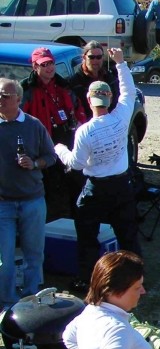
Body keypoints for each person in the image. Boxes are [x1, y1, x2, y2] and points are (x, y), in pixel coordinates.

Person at [54, 48, 142, 294]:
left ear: (90, 100)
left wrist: (59, 149)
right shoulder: (122, 116)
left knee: (88, 238)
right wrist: (121, 63)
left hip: (96, 188)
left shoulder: (85, 131)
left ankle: (88, 280)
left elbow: (76, 164)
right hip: (122, 186)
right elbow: (129, 91)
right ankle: (135, 280)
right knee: (128, 235)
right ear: (110, 98)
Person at [0, 78, 57, 307]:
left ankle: (32, 300)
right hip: (2, 203)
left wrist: (34, 164)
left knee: (34, 254)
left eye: (5, 95)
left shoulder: (33, 126)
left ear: (18, 99)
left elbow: (51, 157)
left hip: (32, 200)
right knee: (5, 259)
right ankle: (8, 304)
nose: (0, 100)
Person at [19, 46, 88, 219]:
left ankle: (76, 217)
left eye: (51, 63)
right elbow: (17, 118)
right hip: (40, 143)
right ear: (35, 67)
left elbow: (78, 107)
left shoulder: (63, 86)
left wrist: (81, 126)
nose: (49, 68)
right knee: (46, 186)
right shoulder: (25, 90)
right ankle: (46, 221)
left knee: (74, 180)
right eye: (44, 64)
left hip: (65, 139)